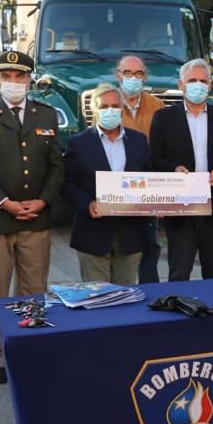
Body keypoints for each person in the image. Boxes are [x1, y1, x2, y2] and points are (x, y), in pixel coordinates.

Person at [0, 50, 63, 385]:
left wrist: (43, 201)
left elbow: (56, 167)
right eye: (6, 76)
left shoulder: (46, 115)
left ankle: (29, 347)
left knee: (33, 290)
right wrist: (5, 203)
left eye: (19, 76)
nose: (13, 82)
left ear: (29, 80)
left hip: (36, 219)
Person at [149, 59, 213, 280]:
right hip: (181, 208)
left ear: (210, 86)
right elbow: (154, 158)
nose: (198, 85)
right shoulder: (163, 118)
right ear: (181, 85)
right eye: (192, 80)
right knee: (179, 273)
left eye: (203, 81)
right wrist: (172, 169)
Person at [62, 83, 152, 284]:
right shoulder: (77, 143)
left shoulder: (138, 140)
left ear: (121, 108)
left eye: (114, 105)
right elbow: (68, 184)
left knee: (125, 298)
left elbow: (149, 177)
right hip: (92, 234)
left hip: (131, 234)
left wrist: (160, 201)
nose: (110, 110)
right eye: (103, 107)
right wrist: (87, 204)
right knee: (96, 301)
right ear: (94, 111)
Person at [115, 55, 164, 284]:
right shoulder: (108, 104)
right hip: (116, 190)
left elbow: (163, 149)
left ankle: (150, 295)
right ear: (118, 75)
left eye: (139, 74)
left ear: (144, 77)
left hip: (147, 189)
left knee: (150, 246)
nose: (133, 78)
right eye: (128, 73)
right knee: (119, 247)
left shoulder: (157, 106)